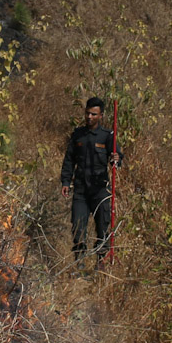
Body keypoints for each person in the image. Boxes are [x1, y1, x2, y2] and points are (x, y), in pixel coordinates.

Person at [59, 96, 119, 267]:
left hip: (100, 190)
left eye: (93, 114)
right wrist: (65, 181)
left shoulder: (107, 136)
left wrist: (116, 158)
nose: (89, 117)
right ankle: (79, 264)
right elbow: (69, 160)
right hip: (80, 190)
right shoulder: (78, 135)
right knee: (78, 227)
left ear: (101, 116)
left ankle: (101, 263)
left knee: (102, 228)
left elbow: (117, 157)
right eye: (87, 114)